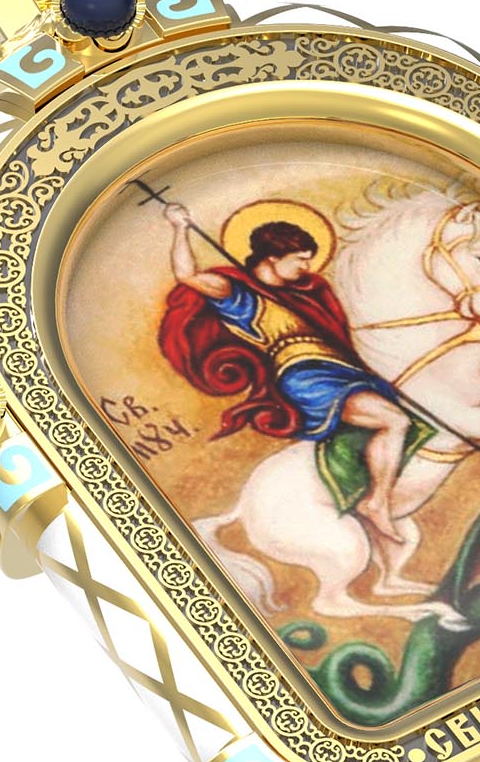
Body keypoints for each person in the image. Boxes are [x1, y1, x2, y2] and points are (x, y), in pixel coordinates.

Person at [158, 204, 414, 543]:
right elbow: (187, 276)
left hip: (342, 369)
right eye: (300, 259)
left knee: (402, 417)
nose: (306, 267)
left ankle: (366, 489)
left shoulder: (306, 293)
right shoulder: (240, 296)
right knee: (394, 420)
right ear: (272, 258)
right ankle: (376, 503)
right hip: (306, 376)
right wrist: (180, 228)